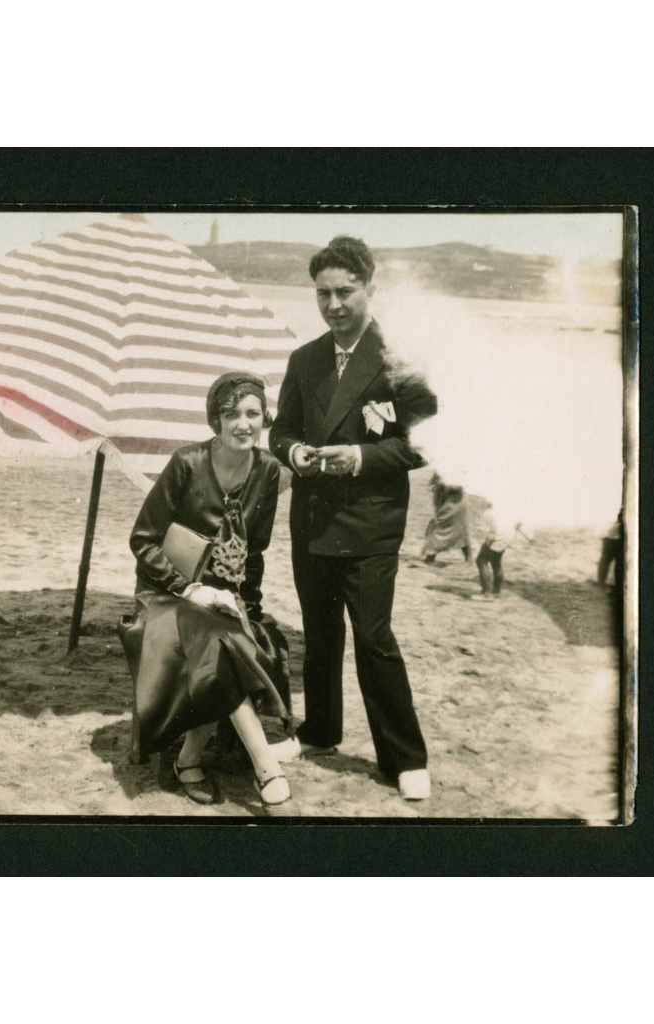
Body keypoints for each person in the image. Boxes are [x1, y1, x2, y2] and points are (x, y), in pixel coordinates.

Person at [268, 235, 437, 801]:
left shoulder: (400, 357)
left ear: (370, 287)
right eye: (323, 294)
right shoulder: (304, 358)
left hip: (371, 524)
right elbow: (281, 429)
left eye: (345, 292)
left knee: (373, 638)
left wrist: (360, 457)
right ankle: (319, 732)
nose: (334, 305)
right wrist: (294, 454)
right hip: (313, 519)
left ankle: (403, 758)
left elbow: (426, 443)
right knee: (319, 636)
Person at [118, 371, 293, 811]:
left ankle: (190, 757)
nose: (243, 424)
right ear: (215, 419)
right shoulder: (186, 463)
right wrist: (189, 588)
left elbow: (255, 552)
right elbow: (143, 540)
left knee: (236, 635)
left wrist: (249, 608)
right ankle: (266, 766)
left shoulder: (270, 470)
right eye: (231, 414)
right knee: (219, 640)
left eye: (252, 414)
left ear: (264, 417)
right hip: (166, 593)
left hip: (224, 595)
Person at [471, 508, 533, 602]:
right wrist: (529, 538)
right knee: (496, 563)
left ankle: (486, 594)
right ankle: (496, 593)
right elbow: (518, 525)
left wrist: (488, 542)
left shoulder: (488, 512)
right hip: (508, 536)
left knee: (481, 561)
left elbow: (490, 531)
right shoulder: (507, 510)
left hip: (497, 536)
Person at [420, 475, 471, 564]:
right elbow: (431, 483)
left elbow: (458, 487)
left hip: (455, 504)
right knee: (439, 527)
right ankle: (468, 558)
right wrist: (434, 486)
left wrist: (442, 483)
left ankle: (430, 557)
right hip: (443, 504)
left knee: (451, 530)